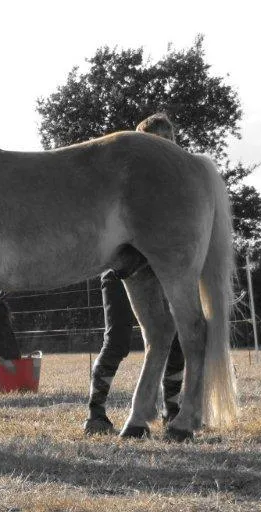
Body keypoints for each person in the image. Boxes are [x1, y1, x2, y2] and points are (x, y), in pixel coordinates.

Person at [84, 112, 185, 435]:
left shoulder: (178, 182)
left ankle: (173, 410)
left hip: (159, 268)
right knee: (117, 340)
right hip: (119, 266)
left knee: (176, 339)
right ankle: (96, 411)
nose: (166, 147)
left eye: (170, 140)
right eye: (159, 141)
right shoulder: (129, 178)